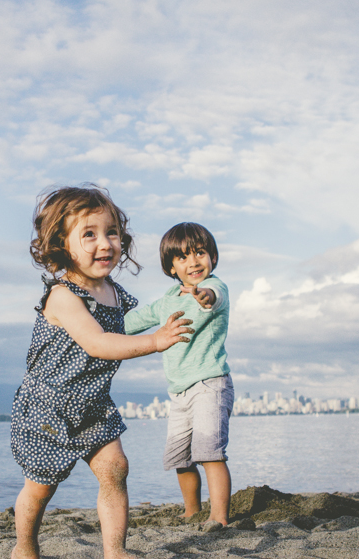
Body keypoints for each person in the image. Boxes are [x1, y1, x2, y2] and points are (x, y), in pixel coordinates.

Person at [10, 185, 194, 559]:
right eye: (89, 234)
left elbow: (136, 321)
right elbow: (100, 343)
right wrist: (157, 342)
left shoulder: (113, 290)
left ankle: (115, 551)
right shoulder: (64, 295)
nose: (105, 243)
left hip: (92, 404)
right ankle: (24, 547)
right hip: (48, 408)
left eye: (111, 232)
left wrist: (185, 296)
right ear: (62, 244)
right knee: (41, 487)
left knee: (115, 468)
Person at [124, 222, 234, 526]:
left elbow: (214, 297)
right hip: (179, 393)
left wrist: (203, 297)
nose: (193, 262)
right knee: (179, 458)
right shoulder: (167, 301)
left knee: (210, 452)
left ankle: (219, 518)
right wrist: (94, 323)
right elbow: (132, 322)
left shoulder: (216, 286)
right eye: (183, 257)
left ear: (211, 256)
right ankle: (191, 510)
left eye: (200, 253)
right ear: (171, 266)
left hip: (210, 384)